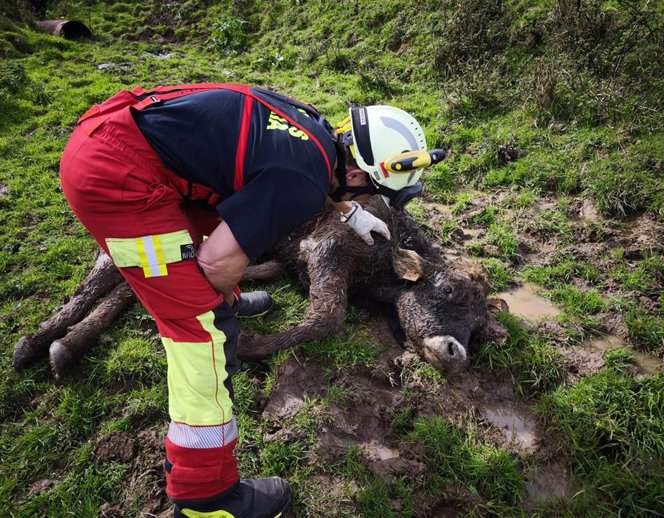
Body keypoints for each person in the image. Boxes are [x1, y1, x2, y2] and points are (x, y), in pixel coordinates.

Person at [59, 83, 443, 517]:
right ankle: (206, 495)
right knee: (203, 331)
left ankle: (226, 301)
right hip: (116, 178)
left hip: (122, 138)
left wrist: (352, 213)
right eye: (368, 191)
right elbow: (216, 262)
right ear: (356, 175)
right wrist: (215, 299)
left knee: (223, 214)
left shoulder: (315, 130)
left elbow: (299, 175)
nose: (363, 197)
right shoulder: (304, 178)